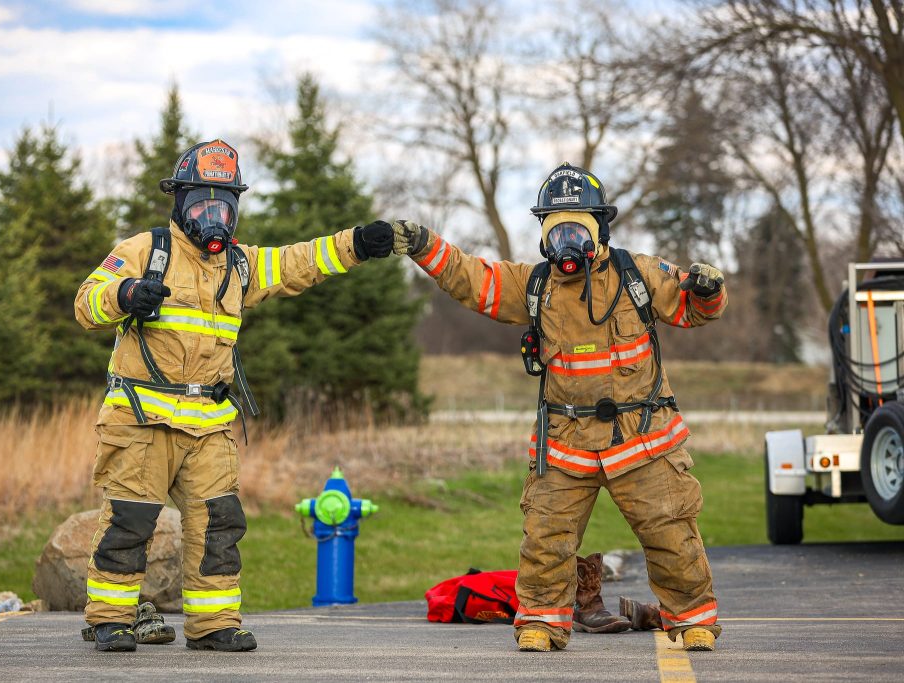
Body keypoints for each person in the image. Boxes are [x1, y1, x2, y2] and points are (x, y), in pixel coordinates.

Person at [390, 163, 725, 653]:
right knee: (547, 540)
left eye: (577, 228)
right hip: (566, 444)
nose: (566, 239)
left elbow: (693, 310)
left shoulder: (640, 275)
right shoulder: (534, 287)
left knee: (671, 533)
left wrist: (709, 290)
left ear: (600, 229)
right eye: (556, 229)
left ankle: (693, 621)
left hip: (644, 439)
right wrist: (423, 245)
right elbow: (471, 278)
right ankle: (543, 624)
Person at [74, 139, 394, 652]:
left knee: (218, 525)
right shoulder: (144, 251)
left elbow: (297, 262)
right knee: (130, 523)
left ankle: (212, 624)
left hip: (210, 423)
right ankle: (110, 619)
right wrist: (126, 294)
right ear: (180, 203)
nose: (213, 214)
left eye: (223, 204)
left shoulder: (239, 267)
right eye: (202, 202)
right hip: (140, 418)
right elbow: (86, 304)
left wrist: (356, 243)